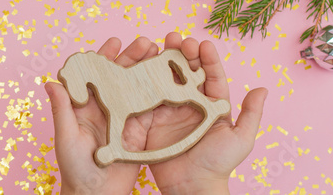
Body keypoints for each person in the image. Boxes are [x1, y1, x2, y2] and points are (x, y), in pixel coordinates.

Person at [44, 32, 268, 194]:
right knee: (172, 96)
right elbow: (117, 116)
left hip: (151, 85)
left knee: (175, 95)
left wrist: (86, 189)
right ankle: (206, 104)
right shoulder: (107, 92)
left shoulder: (112, 91)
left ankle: (207, 105)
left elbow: (118, 116)